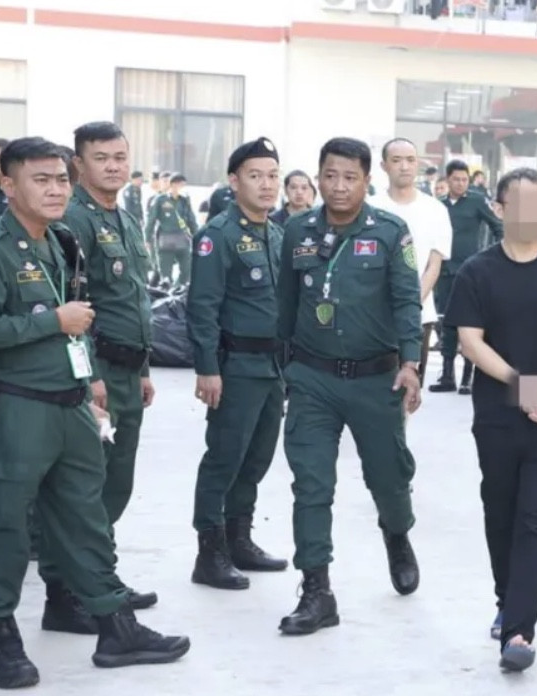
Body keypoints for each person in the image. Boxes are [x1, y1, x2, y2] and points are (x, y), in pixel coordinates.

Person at [0, 137, 189, 690]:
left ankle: (115, 626)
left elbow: (81, 322)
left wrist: (91, 378)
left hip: (72, 402)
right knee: (4, 526)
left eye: (60, 179)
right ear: (8, 186)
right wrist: (51, 321)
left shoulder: (60, 240)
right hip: (18, 408)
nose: (56, 190)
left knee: (86, 520)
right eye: (40, 180)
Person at [444, 167, 537, 672]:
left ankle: (519, 631)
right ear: (500, 209)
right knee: (501, 512)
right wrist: (523, 387)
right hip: (497, 410)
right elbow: (470, 341)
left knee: (535, 520)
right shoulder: (477, 271)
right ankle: (506, 598)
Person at [275, 137, 424, 635]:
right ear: (318, 177)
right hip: (313, 379)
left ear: (367, 181)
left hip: (375, 380)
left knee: (389, 478)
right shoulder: (296, 230)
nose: (339, 186)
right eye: (330, 175)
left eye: (350, 177)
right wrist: (283, 369)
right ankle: (316, 590)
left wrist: (411, 363)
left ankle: (397, 533)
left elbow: (407, 301)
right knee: (311, 484)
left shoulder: (390, 232)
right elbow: (286, 304)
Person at [39, 122, 158, 630]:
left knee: (115, 485)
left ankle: (98, 579)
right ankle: (65, 593)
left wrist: (145, 368)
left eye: (120, 156)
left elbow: (134, 299)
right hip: (97, 372)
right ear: (79, 165)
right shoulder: (73, 221)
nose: (113, 166)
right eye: (101, 158)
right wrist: (89, 377)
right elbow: (74, 303)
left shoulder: (124, 218)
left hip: (128, 370)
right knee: (81, 489)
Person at [186, 137, 290, 591]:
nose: (267, 185)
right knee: (224, 458)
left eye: (273, 176)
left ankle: (239, 539)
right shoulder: (218, 236)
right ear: (234, 181)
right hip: (235, 366)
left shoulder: (278, 234)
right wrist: (207, 368)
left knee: (256, 458)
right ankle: (209, 552)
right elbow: (202, 306)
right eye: (255, 176)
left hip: (272, 367)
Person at [369, 138, 452, 386]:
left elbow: (434, 265)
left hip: (418, 316)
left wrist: (410, 304)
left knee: (408, 391)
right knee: (372, 390)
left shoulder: (435, 209)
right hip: (372, 316)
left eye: (410, 160)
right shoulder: (370, 207)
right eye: (396, 160)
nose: (404, 166)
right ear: (384, 166)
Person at [431, 159, 501, 394]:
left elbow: (498, 227)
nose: (460, 184)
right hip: (444, 271)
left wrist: (494, 256)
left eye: (464, 180)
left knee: (470, 323)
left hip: (471, 272)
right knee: (447, 323)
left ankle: (467, 378)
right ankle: (447, 375)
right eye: (456, 179)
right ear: (447, 180)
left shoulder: (477, 202)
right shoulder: (439, 206)